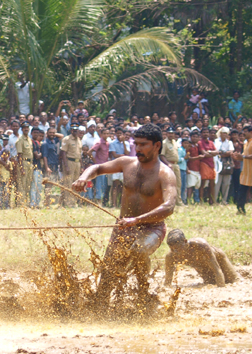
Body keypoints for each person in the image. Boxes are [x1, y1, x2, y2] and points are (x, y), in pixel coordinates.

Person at [71, 124, 177, 311]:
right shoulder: (127, 163)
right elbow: (97, 167)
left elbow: (169, 207)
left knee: (139, 250)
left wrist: (137, 220)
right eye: (136, 144)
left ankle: (143, 295)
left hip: (151, 228)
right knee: (108, 272)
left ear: (157, 146)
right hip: (123, 227)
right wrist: (84, 177)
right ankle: (100, 306)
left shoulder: (165, 174)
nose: (138, 149)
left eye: (144, 145)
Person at [164, 229, 238, 288]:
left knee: (234, 281)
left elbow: (217, 269)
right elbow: (167, 282)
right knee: (210, 283)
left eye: (178, 248)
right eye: (172, 249)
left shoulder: (200, 246)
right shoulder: (171, 257)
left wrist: (221, 290)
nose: (176, 252)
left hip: (219, 261)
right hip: (204, 269)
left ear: (185, 242)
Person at [59, 124, 82, 207]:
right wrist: (66, 166)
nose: (75, 131)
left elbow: (80, 153)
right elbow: (63, 153)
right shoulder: (66, 139)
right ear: (71, 130)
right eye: (73, 130)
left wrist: (81, 165)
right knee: (68, 183)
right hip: (69, 162)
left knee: (76, 183)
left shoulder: (79, 139)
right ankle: (68, 202)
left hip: (77, 163)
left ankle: (73, 202)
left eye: (76, 130)